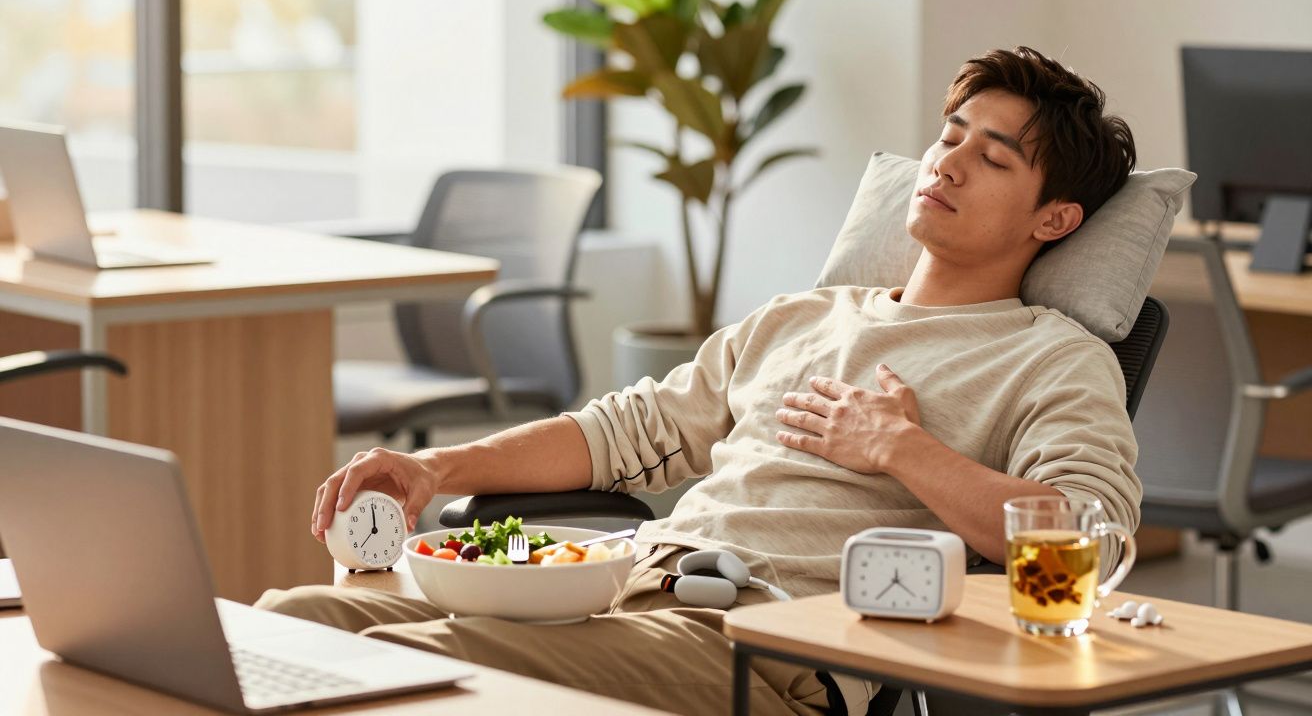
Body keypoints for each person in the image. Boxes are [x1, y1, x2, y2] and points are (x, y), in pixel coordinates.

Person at [257, 46, 1141, 716]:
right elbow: (625, 431)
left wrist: (901, 449)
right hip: (623, 591)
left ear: (1056, 217)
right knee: (288, 620)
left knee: (423, 674)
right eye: (948, 137)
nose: (945, 163)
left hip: (768, 647)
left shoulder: (1052, 355)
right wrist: (438, 471)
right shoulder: (800, 316)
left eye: (992, 159)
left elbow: (1090, 546)